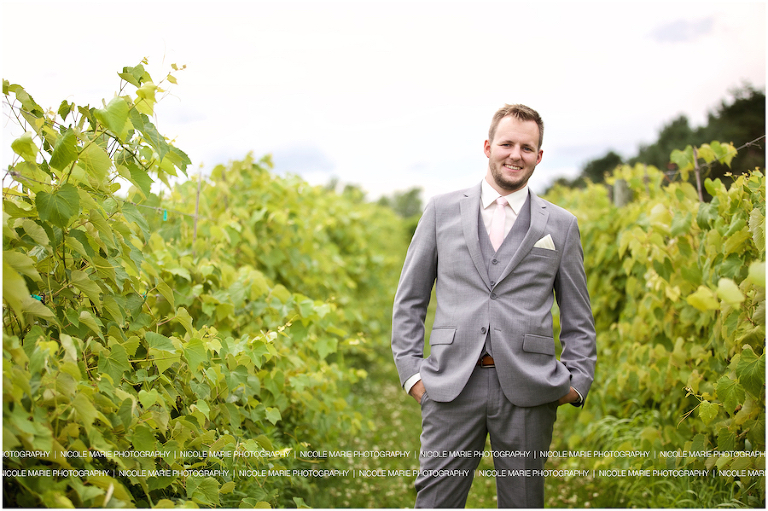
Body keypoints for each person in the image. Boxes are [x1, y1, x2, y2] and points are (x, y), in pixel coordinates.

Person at [391, 104, 597, 508]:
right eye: (506, 144)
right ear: (488, 147)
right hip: (451, 383)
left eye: (526, 147)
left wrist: (577, 381)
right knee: (435, 502)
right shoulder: (441, 211)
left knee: (523, 503)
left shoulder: (561, 224)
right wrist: (412, 374)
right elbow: (410, 299)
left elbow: (578, 316)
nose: (515, 154)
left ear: (539, 156)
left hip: (530, 386)